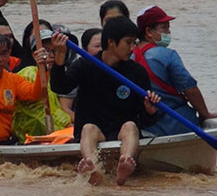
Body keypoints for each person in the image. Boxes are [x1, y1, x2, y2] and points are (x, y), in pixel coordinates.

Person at [50, 16, 160, 186]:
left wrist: (150, 111)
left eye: (134, 42)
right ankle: (93, 169)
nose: (133, 48)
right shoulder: (85, 65)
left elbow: (145, 121)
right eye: (128, 42)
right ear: (111, 42)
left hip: (121, 130)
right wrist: (60, 56)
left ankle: (125, 165)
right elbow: (60, 87)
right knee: (88, 129)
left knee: (131, 126)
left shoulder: (137, 72)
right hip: (94, 131)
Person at [134, 5, 217, 137]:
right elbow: (190, 89)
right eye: (164, 28)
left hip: (143, 127)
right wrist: (205, 115)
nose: (168, 32)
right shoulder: (168, 55)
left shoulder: (128, 55)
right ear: (149, 32)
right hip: (178, 122)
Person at [12, 28, 72, 143]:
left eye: (55, 50)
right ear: (35, 55)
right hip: (33, 133)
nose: (51, 55)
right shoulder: (29, 73)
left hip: (56, 129)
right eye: (46, 51)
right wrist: (68, 124)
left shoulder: (58, 76)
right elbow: (39, 110)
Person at [58, 27, 102, 122]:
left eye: (104, 46)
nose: (101, 50)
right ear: (84, 50)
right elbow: (65, 108)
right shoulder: (78, 69)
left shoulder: (117, 66)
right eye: (97, 46)